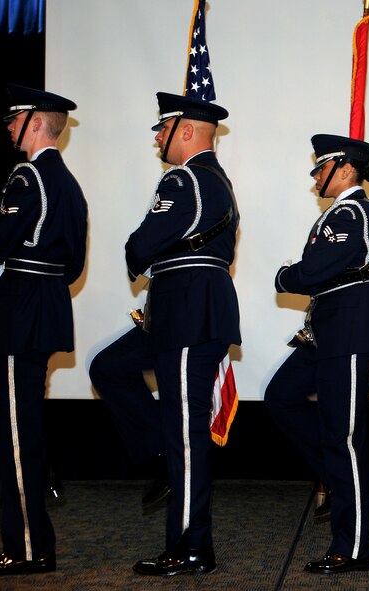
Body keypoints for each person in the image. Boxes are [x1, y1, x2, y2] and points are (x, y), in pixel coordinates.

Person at [89, 92, 240, 576]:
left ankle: (193, 546)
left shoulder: (185, 178)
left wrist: (139, 247)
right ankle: (160, 453)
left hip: (187, 312)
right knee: (109, 368)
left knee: (188, 435)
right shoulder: (215, 180)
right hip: (184, 309)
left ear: (188, 131)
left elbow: (140, 247)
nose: (157, 136)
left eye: (164, 127)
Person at [0, 84, 88, 576]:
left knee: (18, 435)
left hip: (22, 317)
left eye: (16, 119)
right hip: (45, 308)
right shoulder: (67, 183)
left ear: (37, 122)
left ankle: (30, 547)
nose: (9, 126)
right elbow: (71, 264)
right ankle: (38, 488)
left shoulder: (27, 177)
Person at [264, 134, 369, 574]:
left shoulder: (353, 211)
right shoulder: (342, 213)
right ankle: (346, 480)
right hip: (333, 330)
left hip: (353, 330)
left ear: (346, 168)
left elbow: (314, 270)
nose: (316, 176)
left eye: (322, 167)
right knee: (282, 396)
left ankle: (354, 548)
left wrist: (286, 275)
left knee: (345, 438)